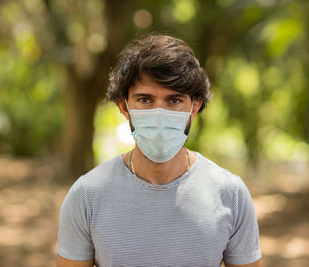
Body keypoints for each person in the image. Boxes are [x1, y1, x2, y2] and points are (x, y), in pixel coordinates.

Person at [56, 34, 262, 267]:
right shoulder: (86, 196)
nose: (160, 113)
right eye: (145, 100)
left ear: (194, 107)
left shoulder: (231, 195)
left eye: (174, 100)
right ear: (124, 107)